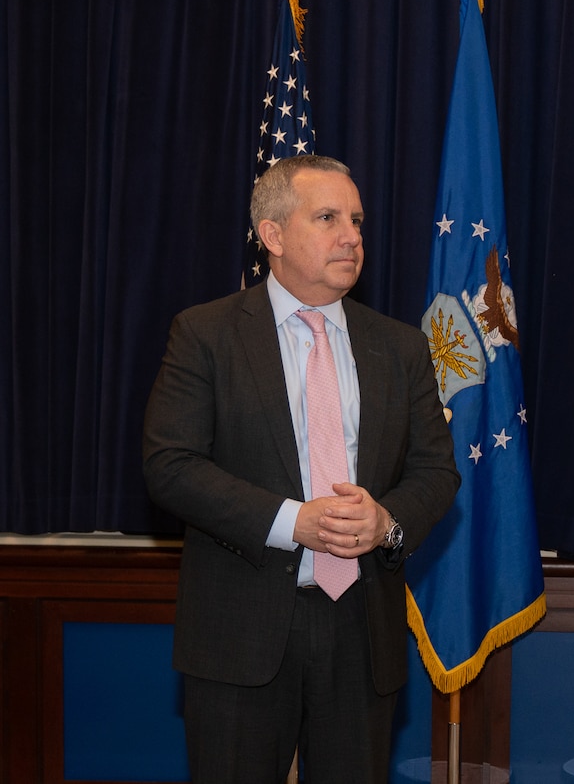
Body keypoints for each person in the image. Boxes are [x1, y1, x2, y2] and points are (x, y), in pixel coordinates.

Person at [143, 154, 460, 783]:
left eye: (358, 221)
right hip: (241, 628)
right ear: (273, 235)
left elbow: (436, 472)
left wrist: (386, 523)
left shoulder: (398, 346)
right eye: (329, 218)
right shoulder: (206, 334)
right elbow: (169, 465)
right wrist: (294, 522)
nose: (352, 235)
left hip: (362, 629)